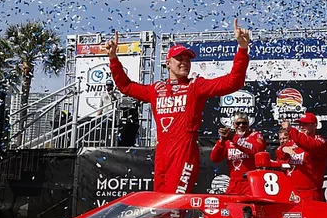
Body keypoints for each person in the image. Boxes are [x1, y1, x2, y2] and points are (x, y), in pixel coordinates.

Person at [105, 19, 251, 194]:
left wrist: (242, 49)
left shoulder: (195, 86)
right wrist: (113, 58)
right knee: (160, 202)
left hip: (184, 151)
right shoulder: (156, 89)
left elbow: (233, 82)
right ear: (168, 63)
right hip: (162, 152)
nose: (185, 62)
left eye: (188, 60)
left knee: (174, 203)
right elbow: (126, 86)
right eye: (179, 59)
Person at [279, 113, 327, 201]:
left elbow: (308, 144)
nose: (302, 127)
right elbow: (279, 152)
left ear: (315, 126)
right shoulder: (294, 142)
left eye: (305, 124)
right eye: (300, 125)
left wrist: (291, 130)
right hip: (292, 192)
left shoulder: (320, 142)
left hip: (310, 193)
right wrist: (284, 149)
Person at [210, 115, 266, 195]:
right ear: (233, 125)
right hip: (234, 183)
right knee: (231, 206)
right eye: (238, 123)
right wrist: (221, 141)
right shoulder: (228, 140)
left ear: (248, 124)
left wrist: (234, 139)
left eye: (244, 123)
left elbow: (256, 150)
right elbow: (214, 158)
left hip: (251, 182)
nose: (241, 125)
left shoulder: (255, 136)